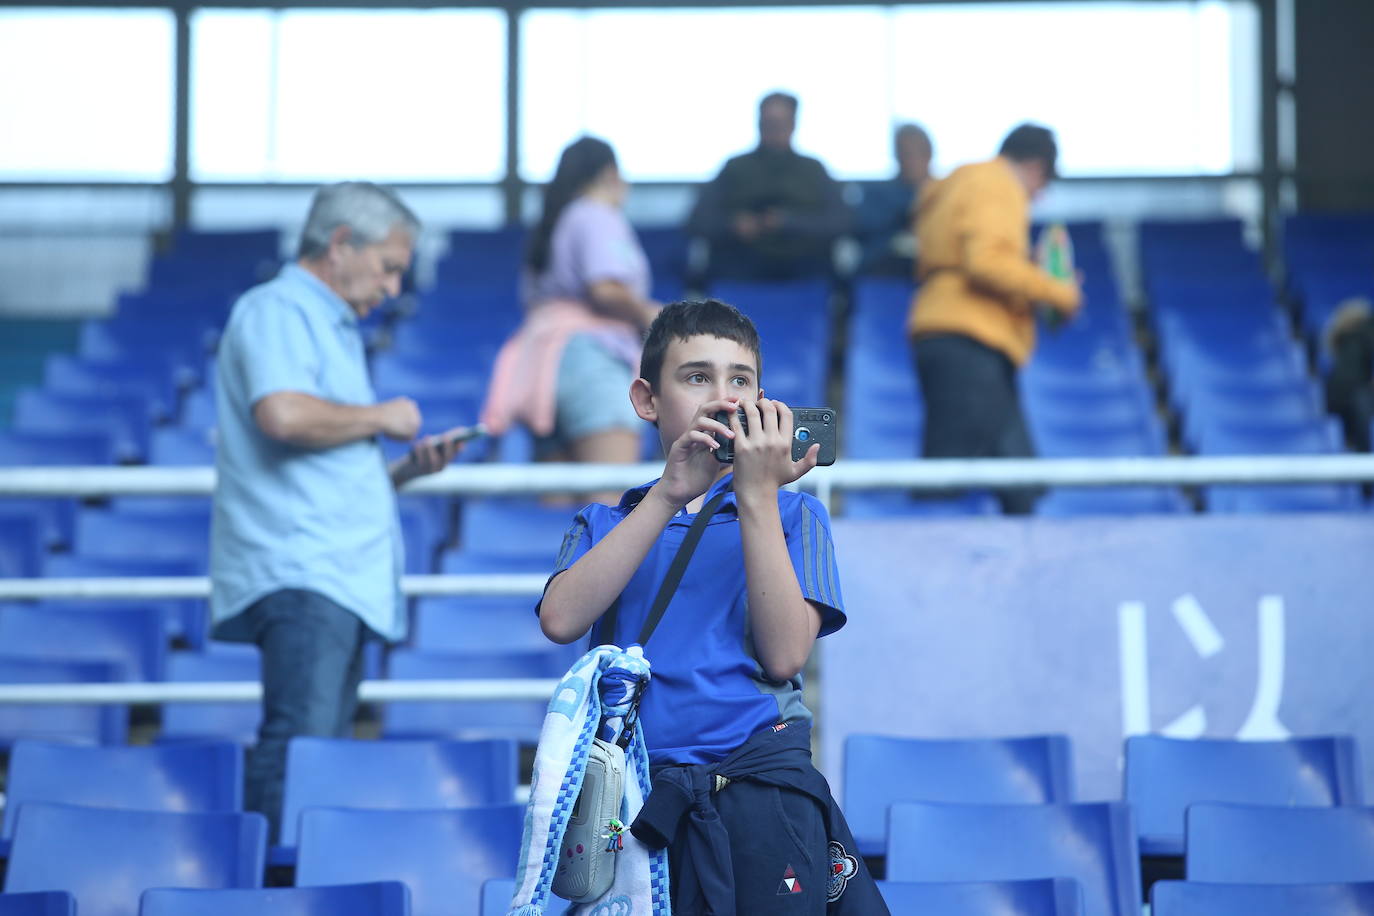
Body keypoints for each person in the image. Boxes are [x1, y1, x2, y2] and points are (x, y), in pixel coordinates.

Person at [538, 299, 887, 914]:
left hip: (761, 798)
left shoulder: (793, 514)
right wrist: (670, 494)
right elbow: (561, 620)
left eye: (741, 380)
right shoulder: (605, 521)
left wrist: (755, 493)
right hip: (637, 803)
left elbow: (783, 656)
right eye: (697, 377)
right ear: (647, 400)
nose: (723, 396)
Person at [210, 182, 469, 839]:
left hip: (331, 575)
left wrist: (407, 468)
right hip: (306, 571)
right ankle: (270, 893)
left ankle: (287, 884)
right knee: (301, 749)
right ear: (340, 244)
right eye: (386, 267)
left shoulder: (328, 326)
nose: (390, 289)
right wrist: (383, 416)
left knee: (314, 753)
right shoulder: (278, 309)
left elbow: (321, 459)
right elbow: (283, 414)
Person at [907, 123, 1082, 514]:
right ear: (1036, 167)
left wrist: (1030, 276)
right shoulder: (999, 182)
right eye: (1041, 186)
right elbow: (985, 262)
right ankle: (922, 558)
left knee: (1016, 473)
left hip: (949, 333)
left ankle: (1029, 559)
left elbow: (977, 257)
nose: (1037, 197)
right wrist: (1059, 291)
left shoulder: (959, 184)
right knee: (947, 473)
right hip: (970, 340)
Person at [482, 136, 655, 501]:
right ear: (610, 174)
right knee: (611, 512)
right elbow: (605, 288)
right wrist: (656, 315)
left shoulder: (555, 221)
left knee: (562, 523)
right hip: (591, 362)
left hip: (544, 369)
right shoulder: (595, 213)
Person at [687, 92, 849, 282]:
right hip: (742, 267)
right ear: (759, 123)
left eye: (780, 124)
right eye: (768, 124)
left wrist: (788, 222)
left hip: (804, 268)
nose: (774, 131)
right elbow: (697, 222)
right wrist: (733, 225)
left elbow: (841, 222)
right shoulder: (735, 167)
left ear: (793, 125)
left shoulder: (813, 169)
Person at [854, 123, 934, 277]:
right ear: (896, 156)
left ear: (929, 154)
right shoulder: (878, 196)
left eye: (917, 152)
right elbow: (868, 240)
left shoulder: (946, 194)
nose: (909, 159)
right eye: (904, 153)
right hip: (887, 277)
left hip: (932, 279)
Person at [1323, 297, 1374, 453]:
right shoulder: (1368, 329)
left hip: (1335, 392)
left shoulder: (1338, 334)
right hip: (1357, 392)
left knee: (1351, 435)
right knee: (1361, 437)